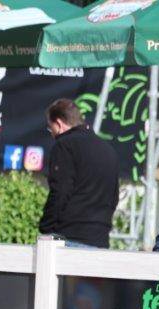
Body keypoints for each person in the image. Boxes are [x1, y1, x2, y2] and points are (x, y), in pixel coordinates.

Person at [38, 98, 119, 249]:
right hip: (101, 241)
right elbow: (114, 197)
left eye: (51, 128)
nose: (52, 134)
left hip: (70, 238)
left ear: (59, 124)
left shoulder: (64, 145)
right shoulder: (109, 150)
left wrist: (46, 227)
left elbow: (60, 191)